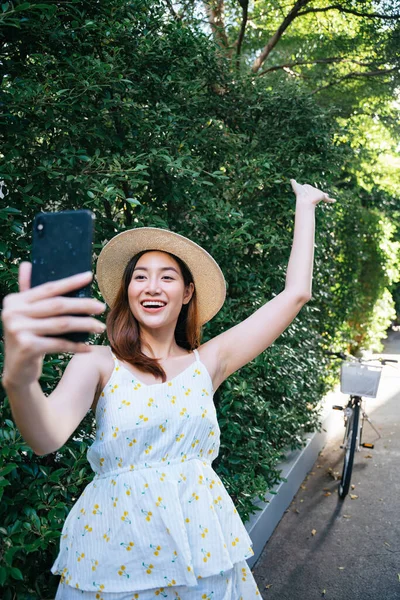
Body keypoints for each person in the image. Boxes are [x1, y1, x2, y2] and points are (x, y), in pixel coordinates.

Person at [1, 180, 336, 599]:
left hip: (202, 552)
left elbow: (295, 294)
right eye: (140, 276)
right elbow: (45, 436)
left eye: (167, 277)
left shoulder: (208, 362)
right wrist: (20, 378)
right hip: (112, 554)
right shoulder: (98, 361)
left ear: (187, 292)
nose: (152, 286)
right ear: (128, 291)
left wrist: (305, 206)